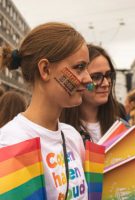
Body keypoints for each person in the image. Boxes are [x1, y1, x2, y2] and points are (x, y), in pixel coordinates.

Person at [0, 22, 92, 199]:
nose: (88, 79)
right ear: (45, 69)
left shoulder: (73, 137)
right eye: (79, 67)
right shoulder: (9, 143)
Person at [60, 44, 124, 144]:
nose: (106, 83)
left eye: (108, 75)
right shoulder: (60, 132)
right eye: (96, 77)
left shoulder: (122, 129)